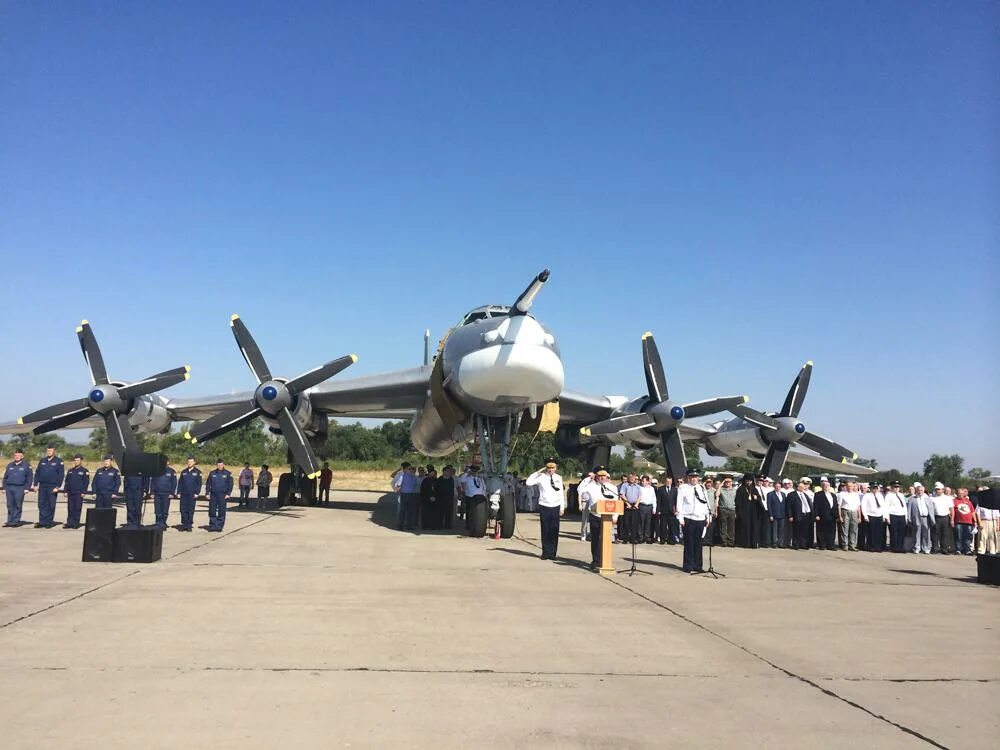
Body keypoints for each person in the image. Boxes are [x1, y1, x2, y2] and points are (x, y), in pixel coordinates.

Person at [525, 459, 565, 560]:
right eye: (549, 468)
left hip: (555, 506)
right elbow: (528, 482)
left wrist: (562, 507)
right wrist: (537, 472)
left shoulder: (558, 478)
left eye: (553, 468)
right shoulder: (541, 477)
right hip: (544, 505)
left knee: (554, 530)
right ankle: (546, 552)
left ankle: (553, 553)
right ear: (546, 468)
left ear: (556, 468)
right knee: (545, 530)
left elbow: (560, 493)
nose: (551, 470)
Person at [582, 469, 618, 570]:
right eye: (600, 476)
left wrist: (615, 516)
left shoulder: (612, 488)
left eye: (604, 476)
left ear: (607, 477)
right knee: (595, 539)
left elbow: (616, 502)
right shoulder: (590, 487)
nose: (602, 478)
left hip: (607, 517)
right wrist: (588, 479)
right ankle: (596, 561)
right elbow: (581, 492)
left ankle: (604, 560)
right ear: (596, 477)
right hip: (595, 515)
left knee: (606, 539)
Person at [677, 468, 711, 573]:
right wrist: (680, 518)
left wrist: (708, 516)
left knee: (698, 543)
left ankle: (698, 565)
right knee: (689, 543)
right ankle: (688, 565)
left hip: (700, 518)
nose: (694, 479)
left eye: (696, 477)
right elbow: (679, 503)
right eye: (692, 477)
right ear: (688, 477)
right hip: (689, 518)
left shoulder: (701, 488)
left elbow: (706, 503)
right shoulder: (683, 488)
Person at [32, 445, 64, 528]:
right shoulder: (42, 460)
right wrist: (35, 484)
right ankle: (42, 521)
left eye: (51, 450)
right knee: (41, 504)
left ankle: (49, 522)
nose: (49, 452)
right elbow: (37, 473)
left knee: (51, 504)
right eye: (48, 450)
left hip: (52, 486)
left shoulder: (59, 461)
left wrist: (57, 486)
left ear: (54, 451)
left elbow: (61, 474)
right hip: (42, 486)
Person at [2, 448, 33, 527]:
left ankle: (16, 521)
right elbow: (5, 477)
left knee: (18, 504)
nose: (17, 457)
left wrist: (27, 488)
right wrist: (4, 488)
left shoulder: (26, 465)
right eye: (15, 455)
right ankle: (10, 521)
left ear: (22, 456)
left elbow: (29, 478)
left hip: (20, 487)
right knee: (9, 505)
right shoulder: (10, 465)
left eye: (19, 455)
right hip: (9, 487)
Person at [62, 454, 89, 529]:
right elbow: (67, 481)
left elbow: (86, 482)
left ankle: (76, 523)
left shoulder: (84, 471)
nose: (76, 461)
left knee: (77, 508)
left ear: (81, 461)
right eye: (75, 460)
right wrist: (65, 491)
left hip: (79, 493)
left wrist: (84, 492)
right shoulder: (70, 471)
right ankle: (69, 523)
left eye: (78, 460)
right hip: (70, 492)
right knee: (70, 508)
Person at [205, 459, 233, 532]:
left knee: (222, 511)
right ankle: (213, 526)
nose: (220, 466)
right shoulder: (212, 473)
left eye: (221, 465)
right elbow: (208, 484)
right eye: (218, 465)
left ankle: (219, 526)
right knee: (212, 510)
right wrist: (207, 493)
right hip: (213, 495)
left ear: (223, 465)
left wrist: (228, 494)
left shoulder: (227, 473)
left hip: (223, 495)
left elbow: (230, 485)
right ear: (216, 465)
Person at [150, 459, 178, 531]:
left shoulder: (172, 471)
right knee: (157, 509)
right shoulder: (156, 470)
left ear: (168, 462)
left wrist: (172, 493)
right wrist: (152, 492)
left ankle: (163, 523)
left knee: (165, 510)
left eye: (166, 461)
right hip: (157, 493)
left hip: (167, 494)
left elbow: (174, 483)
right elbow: (152, 481)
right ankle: (158, 523)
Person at [176, 456, 202, 531]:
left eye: (191, 462)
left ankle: (189, 525)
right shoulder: (183, 472)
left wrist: (197, 493)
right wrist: (178, 492)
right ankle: (184, 524)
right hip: (183, 494)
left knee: (190, 510)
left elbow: (199, 484)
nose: (189, 463)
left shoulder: (198, 472)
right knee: (183, 509)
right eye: (188, 462)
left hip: (192, 494)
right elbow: (180, 483)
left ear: (194, 462)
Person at [458, 465, 486, 532]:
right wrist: (467, 473)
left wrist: (484, 495)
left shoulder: (480, 478)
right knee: (469, 512)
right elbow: (461, 480)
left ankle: (478, 525)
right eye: (473, 471)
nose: (475, 473)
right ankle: (468, 525)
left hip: (479, 497)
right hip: (470, 497)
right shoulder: (467, 477)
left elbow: (483, 487)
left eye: (476, 471)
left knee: (478, 513)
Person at [812, 477, 837, 551]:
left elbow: (835, 505)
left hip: (832, 516)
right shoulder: (818, 494)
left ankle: (830, 545)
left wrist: (837, 515)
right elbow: (815, 505)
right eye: (824, 486)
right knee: (821, 531)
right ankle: (822, 545)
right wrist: (816, 515)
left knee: (831, 531)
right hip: (822, 515)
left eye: (827, 486)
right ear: (822, 487)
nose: (826, 487)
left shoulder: (833, 495)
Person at [734, 475, 760, 548]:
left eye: (750, 481)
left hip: (753, 512)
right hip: (744, 512)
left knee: (753, 527)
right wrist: (739, 512)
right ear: (745, 481)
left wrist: (756, 497)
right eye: (747, 481)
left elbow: (759, 499)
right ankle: (745, 543)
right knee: (745, 527)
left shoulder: (754, 489)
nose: (748, 482)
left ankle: (753, 543)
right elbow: (737, 501)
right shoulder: (741, 489)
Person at [788, 478, 814, 550]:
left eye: (803, 487)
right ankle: (796, 544)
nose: (803, 488)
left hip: (806, 515)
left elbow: (809, 505)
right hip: (797, 515)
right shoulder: (792, 495)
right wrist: (790, 515)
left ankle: (803, 544)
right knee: (797, 531)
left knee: (804, 531)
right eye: (801, 487)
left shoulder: (805, 495)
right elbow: (789, 506)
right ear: (798, 487)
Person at [884, 481, 909, 552]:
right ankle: (894, 547)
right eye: (895, 487)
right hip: (893, 515)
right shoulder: (889, 495)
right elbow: (886, 507)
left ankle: (900, 547)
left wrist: (906, 517)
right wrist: (887, 517)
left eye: (898, 487)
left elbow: (904, 507)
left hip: (902, 515)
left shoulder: (901, 495)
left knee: (901, 532)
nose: (896, 488)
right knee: (894, 532)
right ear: (891, 487)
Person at [907, 483, 932, 553]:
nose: (920, 491)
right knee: (916, 533)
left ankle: (926, 548)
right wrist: (909, 518)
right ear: (916, 491)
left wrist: (931, 519)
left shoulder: (928, 498)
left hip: (926, 518)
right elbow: (909, 509)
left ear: (924, 491)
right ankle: (916, 548)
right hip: (916, 518)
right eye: (919, 490)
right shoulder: (912, 499)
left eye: (921, 490)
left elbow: (931, 509)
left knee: (926, 533)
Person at [860, 483, 886, 552]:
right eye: (873, 488)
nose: (875, 489)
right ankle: (871, 546)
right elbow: (863, 506)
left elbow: (883, 506)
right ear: (870, 488)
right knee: (871, 533)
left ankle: (878, 547)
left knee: (879, 533)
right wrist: (865, 516)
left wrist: (884, 515)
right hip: (870, 516)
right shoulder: (867, 496)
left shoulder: (880, 495)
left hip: (879, 516)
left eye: (876, 488)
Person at [929, 482, 954, 554]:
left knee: (945, 534)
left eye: (939, 489)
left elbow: (951, 509)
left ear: (943, 490)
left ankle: (944, 549)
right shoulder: (932, 498)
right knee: (935, 534)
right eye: (936, 489)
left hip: (945, 517)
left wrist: (952, 519)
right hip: (936, 517)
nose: (937, 490)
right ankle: (935, 548)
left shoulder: (948, 498)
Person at [837, 481, 862, 551]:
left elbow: (858, 507)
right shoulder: (842, 494)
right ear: (846, 486)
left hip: (854, 512)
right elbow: (839, 506)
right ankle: (845, 545)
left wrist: (859, 517)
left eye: (851, 486)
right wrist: (840, 516)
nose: (849, 487)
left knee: (854, 530)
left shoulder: (856, 495)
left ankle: (852, 545)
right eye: (848, 486)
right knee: (845, 529)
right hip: (845, 511)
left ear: (853, 487)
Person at [397, 462, 422, 531]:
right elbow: (398, 486)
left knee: (411, 511)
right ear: (405, 469)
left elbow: (414, 485)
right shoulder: (402, 476)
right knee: (403, 511)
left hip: (412, 494)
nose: (411, 470)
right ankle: (400, 525)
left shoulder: (414, 477)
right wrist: (399, 492)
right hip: (404, 494)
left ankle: (409, 525)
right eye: (409, 468)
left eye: (412, 469)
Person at [618, 473, 641, 545]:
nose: (632, 479)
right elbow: (622, 495)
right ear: (628, 478)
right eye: (630, 477)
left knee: (634, 523)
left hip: (635, 506)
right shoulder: (625, 485)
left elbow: (640, 496)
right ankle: (626, 538)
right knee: (626, 523)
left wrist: (637, 504)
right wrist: (627, 503)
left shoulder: (637, 486)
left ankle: (633, 538)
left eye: (633, 478)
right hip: (627, 505)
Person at [952, 488, 976, 556]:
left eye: (962, 493)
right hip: (958, 521)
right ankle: (958, 550)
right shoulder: (954, 501)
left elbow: (972, 511)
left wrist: (975, 521)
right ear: (957, 493)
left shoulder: (968, 501)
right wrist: (952, 520)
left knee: (968, 537)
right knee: (958, 536)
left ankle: (967, 550)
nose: (960, 494)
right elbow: (952, 511)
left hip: (968, 522)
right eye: (959, 493)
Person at [656, 474, 678, 544]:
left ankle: (670, 540)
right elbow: (659, 501)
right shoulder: (660, 489)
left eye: (670, 482)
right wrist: (658, 510)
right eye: (667, 481)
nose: (668, 483)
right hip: (663, 511)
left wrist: (676, 510)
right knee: (663, 526)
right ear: (665, 482)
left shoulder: (675, 490)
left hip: (672, 511)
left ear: (671, 482)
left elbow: (676, 501)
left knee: (672, 526)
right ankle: (662, 539)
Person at [714, 476, 737, 547]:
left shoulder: (734, 490)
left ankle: (731, 542)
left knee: (731, 527)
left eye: (729, 482)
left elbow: (736, 501)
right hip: (723, 509)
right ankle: (724, 542)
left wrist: (736, 512)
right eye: (726, 482)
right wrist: (721, 484)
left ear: (731, 483)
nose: (727, 483)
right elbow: (716, 494)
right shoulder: (721, 489)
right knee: (723, 526)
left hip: (732, 510)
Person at [435, 465, 457, 530]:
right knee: (440, 513)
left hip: (449, 499)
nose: (449, 472)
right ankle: (439, 525)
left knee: (448, 513)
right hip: (440, 499)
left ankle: (447, 525)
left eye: (450, 471)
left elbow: (452, 489)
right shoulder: (440, 479)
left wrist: (452, 497)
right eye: (448, 471)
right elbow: (437, 489)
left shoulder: (451, 479)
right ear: (444, 472)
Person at [766, 480, 786, 548]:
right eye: (776, 486)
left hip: (782, 515)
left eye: (779, 486)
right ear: (774, 487)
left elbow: (784, 504)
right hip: (774, 515)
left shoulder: (783, 494)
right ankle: (774, 543)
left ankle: (780, 543)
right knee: (774, 530)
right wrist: (770, 515)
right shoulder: (770, 494)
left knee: (781, 530)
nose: (778, 488)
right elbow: (769, 505)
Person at [637, 475, 657, 544]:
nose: (643, 482)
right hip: (642, 506)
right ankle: (640, 537)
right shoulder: (640, 488)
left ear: (648, 481)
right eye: (642, 481)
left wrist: (654, 508)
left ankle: (647, 537)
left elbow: (654, 498)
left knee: (648, 523)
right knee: (641, 522)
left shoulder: (651, 489)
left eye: (644, 481)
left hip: (649, 507)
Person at [577, 470, 595, 541]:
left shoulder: (595, 484)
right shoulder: (583, 483)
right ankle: (583, 535)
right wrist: (580, 504)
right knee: (585, 520)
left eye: (592, 476)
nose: (591, 477)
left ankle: (592, 534)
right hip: (585, 502)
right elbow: (579, 494)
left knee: (593, 520)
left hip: (593, 503)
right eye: (589, 476)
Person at [420, 465, 438, 530]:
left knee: (433, 513)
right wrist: (429, 497)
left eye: (433, 472)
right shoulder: (425, 480)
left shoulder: (436, 480)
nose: (432, 474)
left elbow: (438, 490)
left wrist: (435, 497)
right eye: (431, 472)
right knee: (426, 513)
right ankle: (425, 525)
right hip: (426, 499)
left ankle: (433, 525)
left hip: (435, 499)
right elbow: (423, 490)